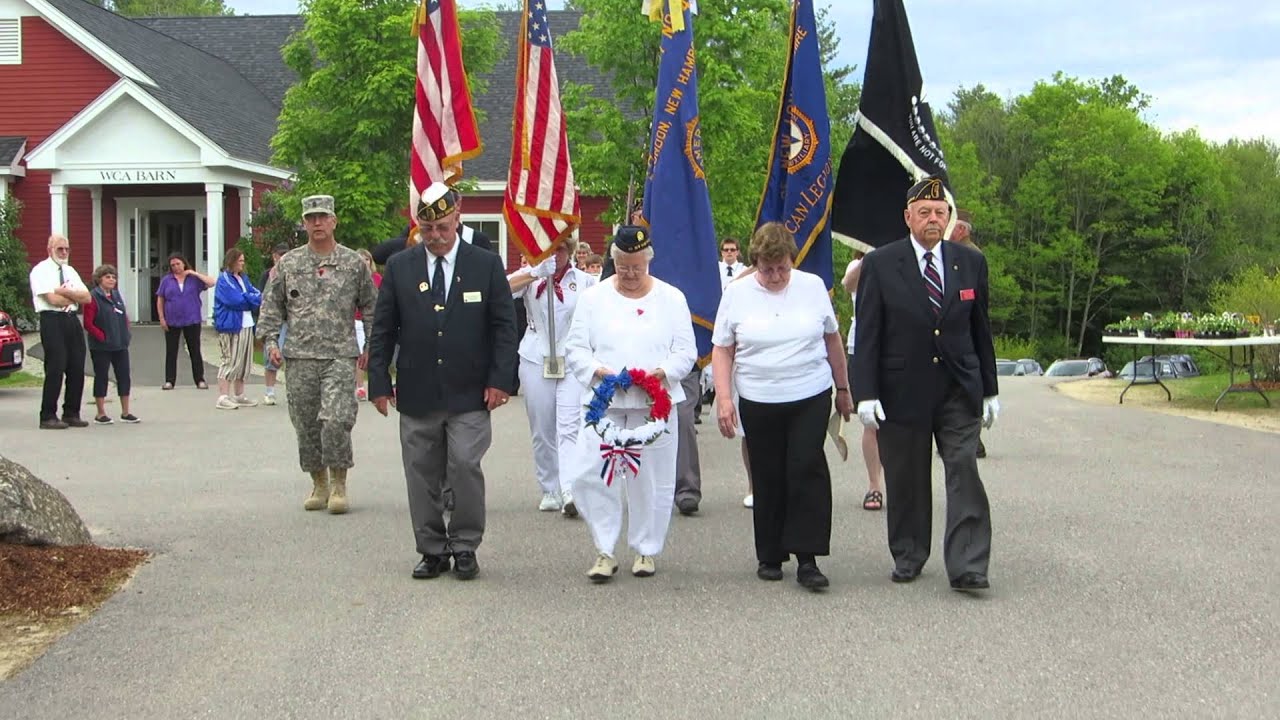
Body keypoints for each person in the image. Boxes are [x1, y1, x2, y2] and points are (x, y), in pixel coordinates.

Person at [852, 176, 999, 593]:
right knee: (907, 477)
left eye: (939, 213)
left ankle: (968, 564)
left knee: (963, 470)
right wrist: (866, 392)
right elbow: (869, 334)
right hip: (902, 390)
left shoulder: (969, 262)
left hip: (958, 387)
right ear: (908, 217)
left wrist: (989, 388)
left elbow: (980, 329)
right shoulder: (881, 263)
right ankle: (909, 554)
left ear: (948, 218)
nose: (933, 220)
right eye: (924, 213)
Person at [368, 182, 517, 581]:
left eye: (442, 228)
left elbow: (505, 326)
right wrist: (379, 382)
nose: (435, 237)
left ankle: (465, 544)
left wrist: (502, 379)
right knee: (420, 472)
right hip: (417, 392)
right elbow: (383, 329)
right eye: (427, 230)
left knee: (465, 464)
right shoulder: (401, 267)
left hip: (470, 391)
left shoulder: (484, 264)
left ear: (457, 218)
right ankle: (432, 548)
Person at [711, 223, 852, 590]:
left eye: (782, 268)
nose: (775, 276)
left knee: (805, 466)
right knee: (768, 472)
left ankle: (808, 557)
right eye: (767, 269)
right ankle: (770, 553)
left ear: (793, 260)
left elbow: (832, 338)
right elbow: (723, 349)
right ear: (755, 262)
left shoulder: (812, 287)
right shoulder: (737, 294)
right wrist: (725, 399)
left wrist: (843, 387)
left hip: (810, 391)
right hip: (759, 396)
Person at [564, 226, 696, 582]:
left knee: (651, 480)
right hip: (603, 404)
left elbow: (686, 352)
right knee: (590, 473)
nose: (631, 274)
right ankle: (605, 549)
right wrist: (597, 372)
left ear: (648, 261)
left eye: (637, 266)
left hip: (653, 403)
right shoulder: (594, 299)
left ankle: (646, 549)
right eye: (624, 266)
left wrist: (661, 373)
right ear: (614, 261)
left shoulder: (672, 298)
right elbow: (575, 349)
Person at [259, 195, 378, 514]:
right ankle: (319, 483)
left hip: (340, 355)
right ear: (304, 222)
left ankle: (339, 483)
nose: (317, 223)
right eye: (311, 218)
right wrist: (270, 340)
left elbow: (371, 306)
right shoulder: (289, 264)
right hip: (299, 357)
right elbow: (272, 306)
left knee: (336, 419)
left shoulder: (353, 263)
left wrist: (370, 345)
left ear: (334, 221)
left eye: (323, 217)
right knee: (307, 424)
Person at [507, 236, 596, 515]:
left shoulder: (583, 281)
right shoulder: (532, 276)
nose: (555, 254)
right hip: (536, 356)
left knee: (570, 425)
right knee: (542, 426)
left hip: (571, 359)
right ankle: (550, 488)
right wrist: (534, 272)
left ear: (568, 251)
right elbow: (500, 288)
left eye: (560, 249)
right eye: (550, 248)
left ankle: (570, 488)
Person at [29, 234, 91, 429]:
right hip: (52, 319)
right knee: (56, 366)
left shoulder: (70, 271)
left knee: (76, 366)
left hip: (71, 320)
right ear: (50, 250)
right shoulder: (40, 271)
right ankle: (48, 415)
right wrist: (73, 298)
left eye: (66, 249)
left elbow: (87, 297)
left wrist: (65, 292)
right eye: (60, 249)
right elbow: (52, 300)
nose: (64, 253)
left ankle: (71, 412)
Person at [841, 251, 884, 511]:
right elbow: (848, 284)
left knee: (901, 424)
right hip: (863, 348)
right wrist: (872, 256)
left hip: (899, 349)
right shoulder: (860, 264)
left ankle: (903, 485)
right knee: (871, 422)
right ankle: (874, 485)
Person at [949, 209, 987, 459]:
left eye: (952, 225)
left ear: (962, 229)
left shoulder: (970, 255)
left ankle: (973, 440)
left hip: (966, 328)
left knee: (965, 386)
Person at [369, 191, 492, 265]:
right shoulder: (415, 234)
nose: (435, 234)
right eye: (428, 228)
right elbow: (379, 254)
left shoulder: (476, 239)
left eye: (443, 227)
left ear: (457, 204)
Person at [82, 265, 138, 424]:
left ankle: (126, 412)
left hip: (120, 343)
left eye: (113, 277)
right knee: (102, 377)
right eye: (108, 277)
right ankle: (100, 413)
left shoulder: (116, 295)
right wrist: (102, 337)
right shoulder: (92, 297)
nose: (111, 280)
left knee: (124, 376)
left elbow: (123, 315)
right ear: (100, 279)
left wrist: (126, 333)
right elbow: (88, 323)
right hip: (101, 346)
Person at [156, 253, 215, 390]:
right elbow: (160, 299)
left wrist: (193, 273)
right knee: (171, 351)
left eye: (178, 264)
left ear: (184, 263)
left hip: (192, 319)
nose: (176, 267)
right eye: (173, 265)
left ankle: (199, 379)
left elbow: (211, 282)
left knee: (195, 350)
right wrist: (162, 318)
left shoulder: (193, 279)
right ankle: (170, 380)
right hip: (172, 320)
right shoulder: (167, 280)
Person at [213, 247, 262, 410]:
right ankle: (223, 396)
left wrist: (250, 299)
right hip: (230, 325)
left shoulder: (243, 278)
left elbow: (257, 295)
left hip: (246, 323)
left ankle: (239, 395)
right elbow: (236, 300)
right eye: (240, 260)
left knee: (244, 361)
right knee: (230, 360)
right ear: (231, 261)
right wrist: (251, 299)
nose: (242, 264)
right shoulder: (224, 280)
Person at [258, 243, 291, 405]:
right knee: (272, 355)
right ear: (274, 256)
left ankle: (292, 390)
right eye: (280, 254)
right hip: (275, 321)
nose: (283, 257)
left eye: (286, 254)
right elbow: (264, 299)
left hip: (290, 320)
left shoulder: (294, 273)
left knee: (292, 356)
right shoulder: (268, 275)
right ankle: (269, 391)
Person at [354, 248, 382, 401]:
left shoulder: (377, 279)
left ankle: (374, 386)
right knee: (358, 355)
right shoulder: (350, 277)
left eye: (366, 259)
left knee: (371, 354)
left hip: (372, 321)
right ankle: (359, 386)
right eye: (360, 259)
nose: (364, 262)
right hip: (354, 321)